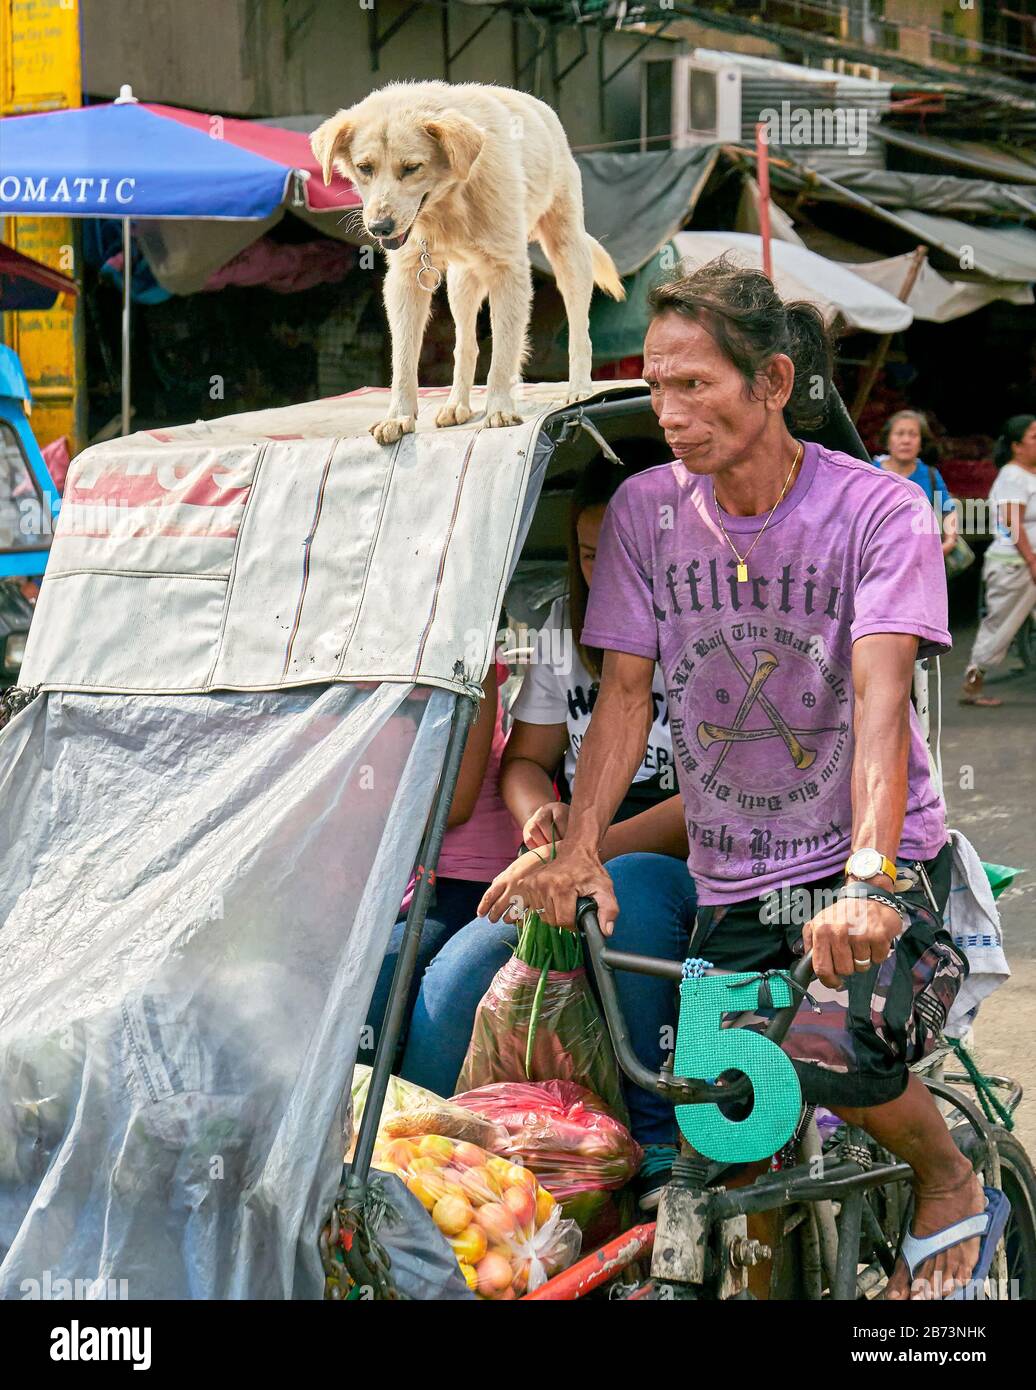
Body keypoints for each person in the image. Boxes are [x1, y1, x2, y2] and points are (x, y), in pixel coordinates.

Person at [499, 256, 982, 1301]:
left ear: (771, 381)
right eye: (656, 383)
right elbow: (624, 695)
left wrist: (867, 877)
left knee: (823, 1037)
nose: (667, 412)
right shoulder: (642, 512)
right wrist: (579, 845)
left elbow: (880, 701)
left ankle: (946, 1175)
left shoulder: (875, 513)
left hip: (866, 857)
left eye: (694, 385)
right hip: (733, 876)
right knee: (723, 1119)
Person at [397, 455, 693, 1204]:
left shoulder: (707, 622)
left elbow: (705, 803)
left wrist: (578, 854)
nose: (609, 573)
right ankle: (428, 1159)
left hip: (682, 853)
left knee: (633, 900)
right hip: (577, 848)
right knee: (459, 974)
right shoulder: (570, 625)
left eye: (629, 555)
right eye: (592, 555)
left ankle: (657, 1139)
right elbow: (528, 758)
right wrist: (539, 814)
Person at [359, 660, 520, 1066]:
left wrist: (343, 820)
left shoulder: (469, 653)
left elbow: (456, 802)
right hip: (383, 871)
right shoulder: (349, 646)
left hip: (464, 875)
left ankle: (406, 1118)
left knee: (377, 988)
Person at [961, 415, 1036, 707]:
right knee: (1000, 627)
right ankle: (972, 683)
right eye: (1033, 437)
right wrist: (1031, 560)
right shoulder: (1012, 477)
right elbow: (1013, 523)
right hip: (1014, 565)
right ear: (1017, 446)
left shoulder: (1029, 475)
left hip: (1026, 564)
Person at [872, 409, 958, 559]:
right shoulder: (871, 472)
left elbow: (948, 509)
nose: (906, 440)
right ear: (887, 440)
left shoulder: (930, 475)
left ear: (921, 443)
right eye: (899, 434)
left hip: (920, 558)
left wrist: (949, 541)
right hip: (877, 557)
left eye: (913, 435)